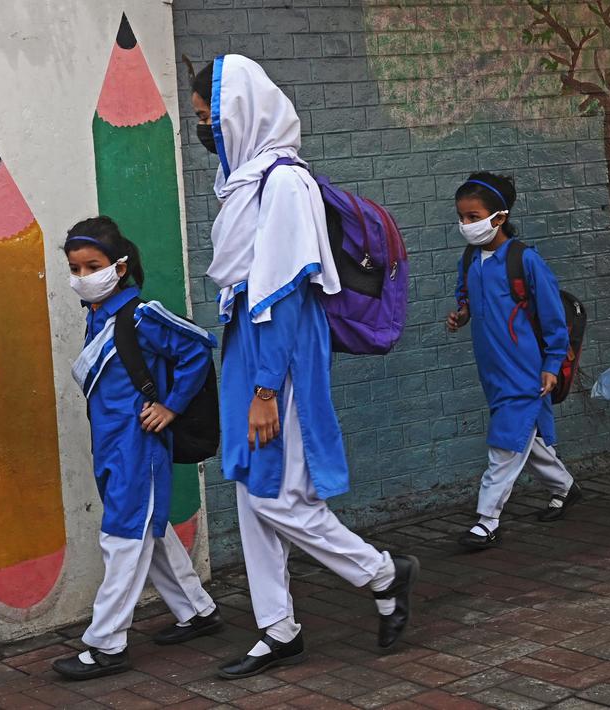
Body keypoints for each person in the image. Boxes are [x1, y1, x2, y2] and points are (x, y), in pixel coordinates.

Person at [191, 54, 418, 680]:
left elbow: (285, 291)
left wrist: (266, 387)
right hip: (248, 345)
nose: (206, 129)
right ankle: (277, 629)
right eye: (200, 119)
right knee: (249, 492)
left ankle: (382, 572)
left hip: (279, 354)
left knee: (280, 497)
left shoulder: (284, 183)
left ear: (240, 110)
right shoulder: (242, 185)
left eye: (210, 115)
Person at [52, 217, 222, 681]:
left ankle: (106, 644)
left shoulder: (141, 317)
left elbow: (196, 350)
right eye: (75, 267)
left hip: (138, 447)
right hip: (111, 445)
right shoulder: (98, 316)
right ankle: (198, 611)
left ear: (119, 267)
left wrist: (170, 407)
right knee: (150, 525)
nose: (83, 275)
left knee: (124, 537)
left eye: (94, 265)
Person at [446, 173, 580, 549]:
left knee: (505, 444)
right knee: (526, 437)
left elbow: (554, 318)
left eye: (474, 217)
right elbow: (466, 295)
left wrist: (552, 364)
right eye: (462, 217)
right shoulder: (472, 257)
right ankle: (564, 487)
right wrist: (462, 313)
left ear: (499, 217)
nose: (466, 225)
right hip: (493, 369)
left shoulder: (526, 260)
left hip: (524, 370)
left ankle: (487, 520)